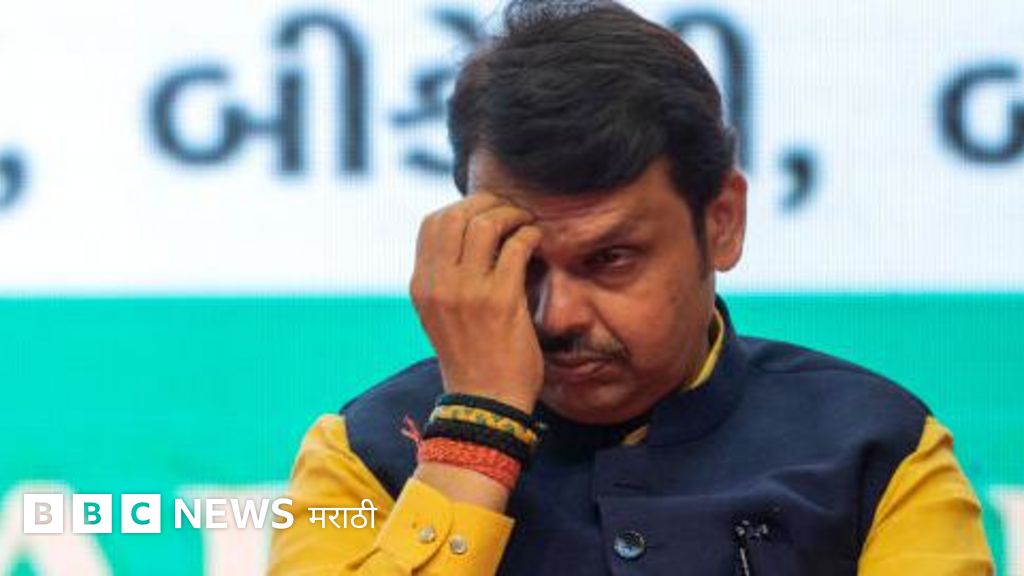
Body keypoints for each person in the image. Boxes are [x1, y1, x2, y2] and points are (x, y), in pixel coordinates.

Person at [268, 1, 994, 573]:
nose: (558, 316)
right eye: (521, 260)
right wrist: (473, 439)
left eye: (611, 258)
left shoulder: (880, 452)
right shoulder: (362, 456)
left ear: (722, 222)